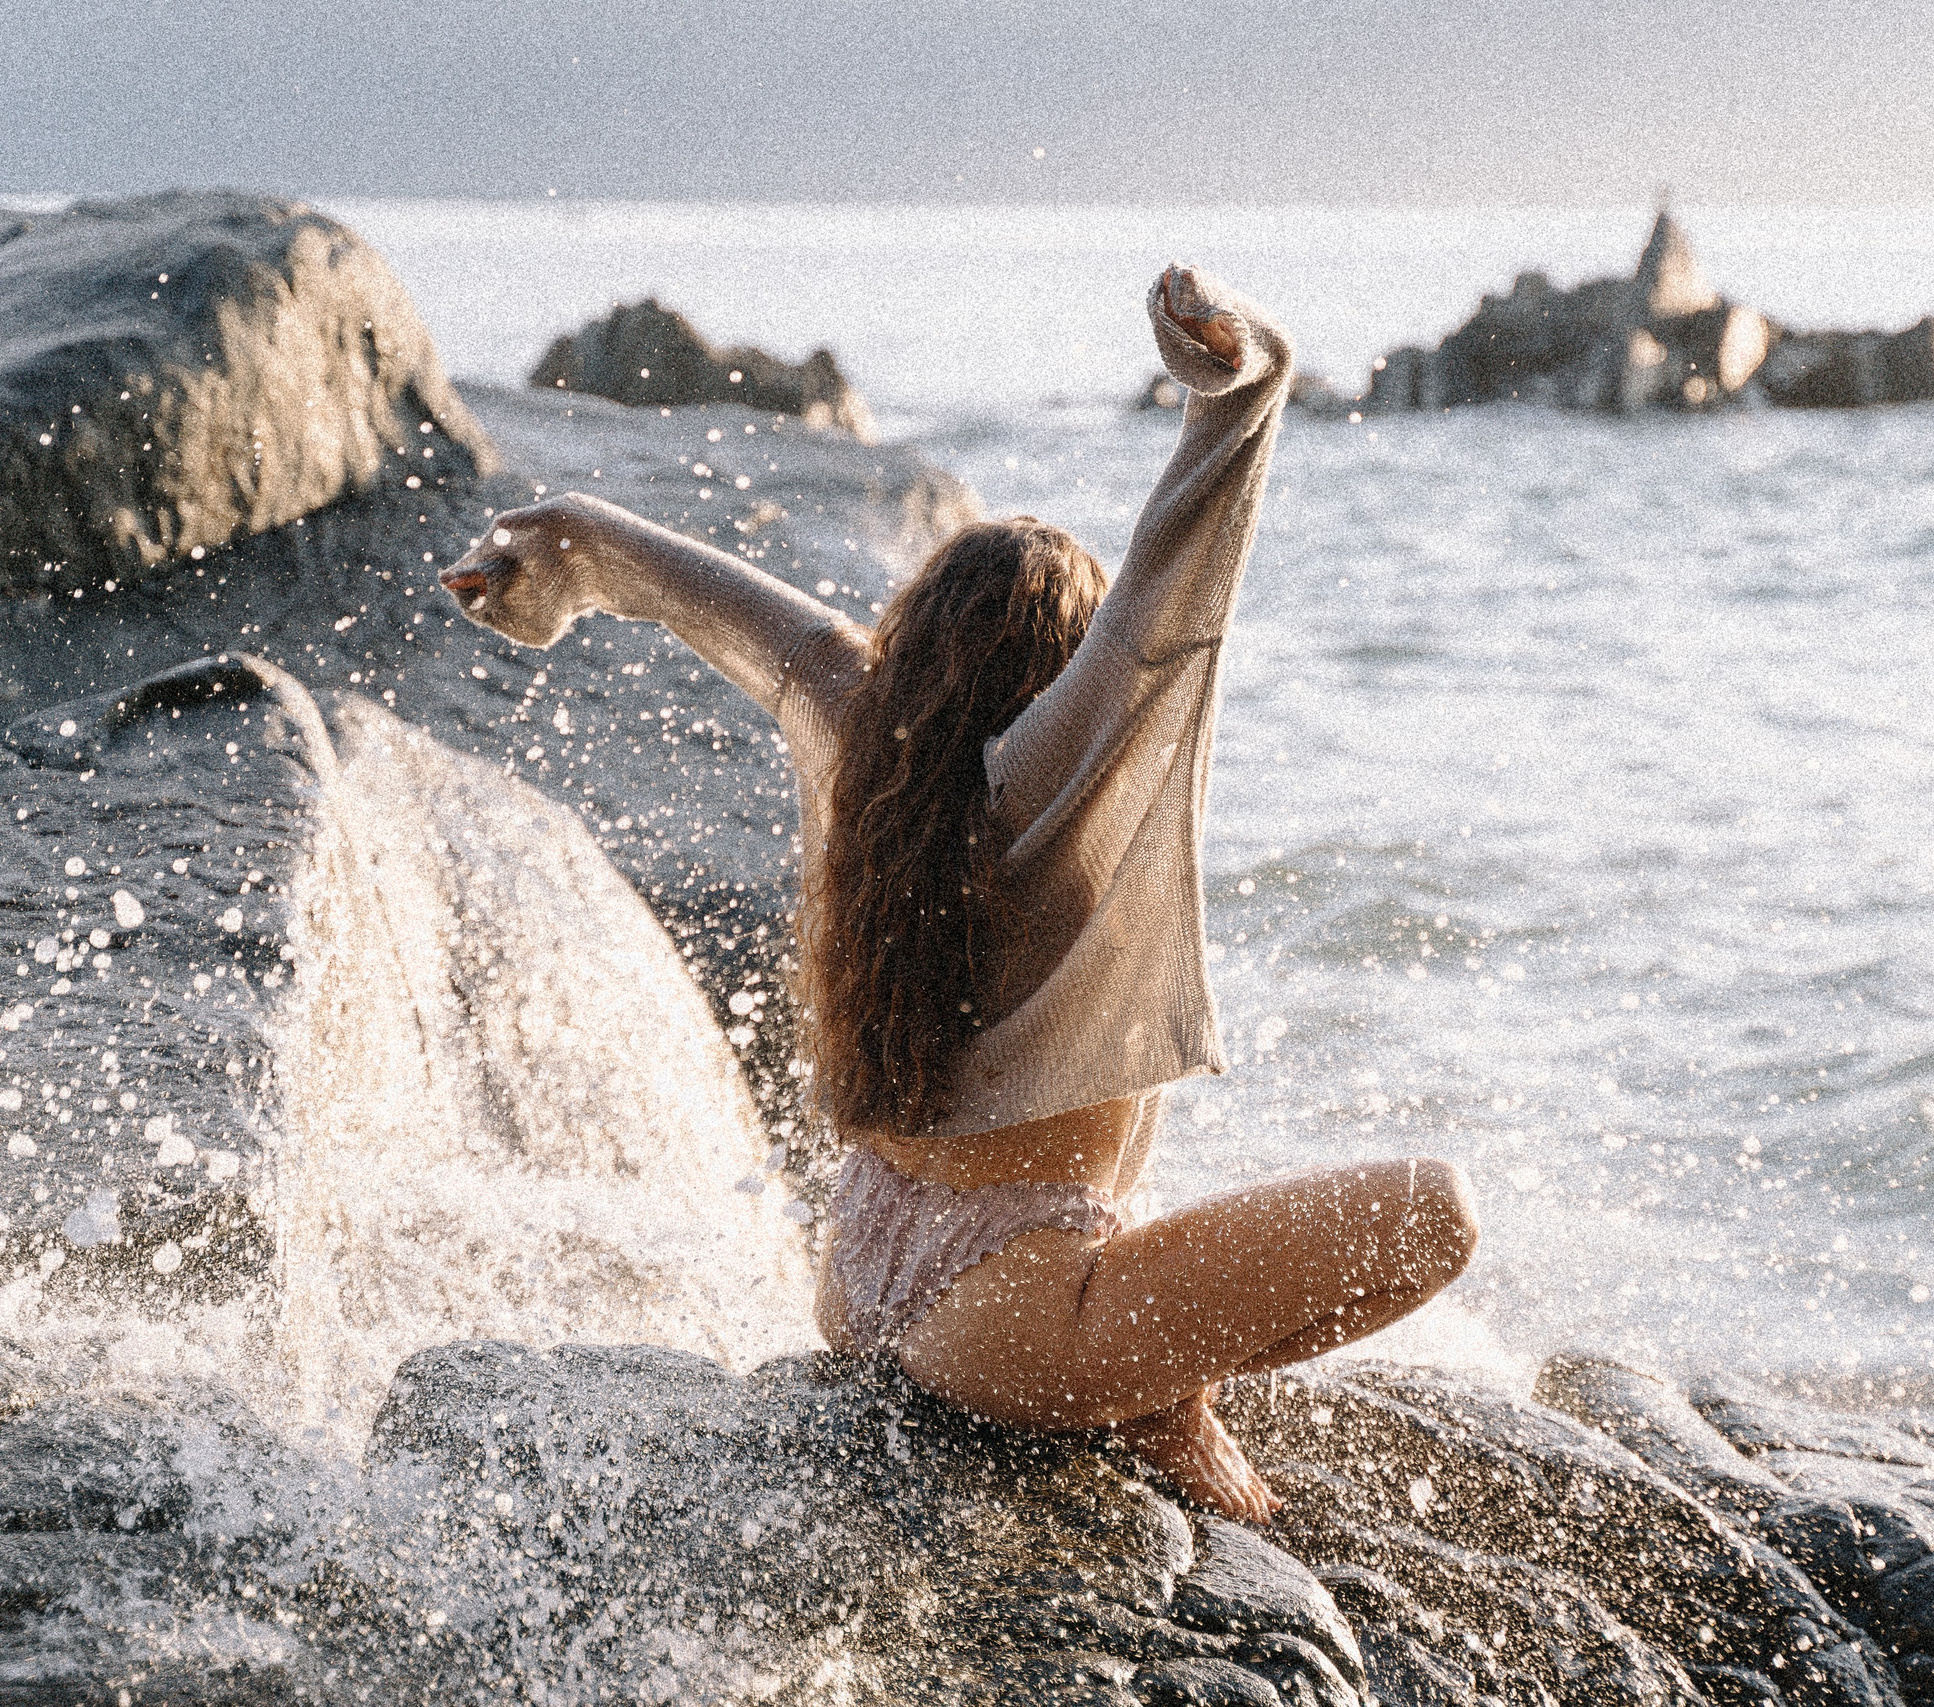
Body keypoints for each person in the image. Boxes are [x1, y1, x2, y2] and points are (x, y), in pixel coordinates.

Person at [439, 266, 1477, 1521]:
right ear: (1054, 675)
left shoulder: (861, 738)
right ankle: (1148, 1390)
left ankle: (1145, 1385)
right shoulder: (1042, 780)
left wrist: (556, 548)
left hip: (861, 1261)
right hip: (1011, 1311)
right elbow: (1165, 598)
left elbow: (692, 590)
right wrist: (1246, 382)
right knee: (1436, 1216)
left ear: (914, 642)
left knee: (1154, 1233)